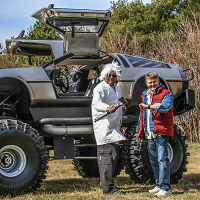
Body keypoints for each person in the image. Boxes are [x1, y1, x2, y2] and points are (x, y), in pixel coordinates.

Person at [136, 71, 174, 197]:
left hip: (161, 131)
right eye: (150, 82)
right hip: (149, 132)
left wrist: (149, 106)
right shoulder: (144, 95)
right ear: (146, 83)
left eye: (154, 82)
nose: (152, 84)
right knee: (153, 160)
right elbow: (142, 115)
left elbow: (165, 107)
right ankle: (158, 184)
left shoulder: (166, 94)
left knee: (163, 159)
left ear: (159, 81)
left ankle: (166, 188)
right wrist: (139, 128)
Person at [92, 62, 126, 194]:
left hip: (114, 128)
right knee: (106, 157)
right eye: (109, 75)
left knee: (114, 156)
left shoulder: (115, 88)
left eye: (114, 75)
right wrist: (106, 108)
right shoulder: (100, 88)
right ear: (104, 76)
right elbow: (96, 103)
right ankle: (109, 188)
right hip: (104, 128)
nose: (112, 77)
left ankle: (104, 183)